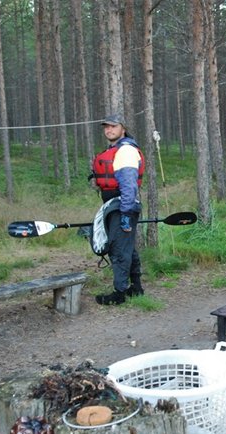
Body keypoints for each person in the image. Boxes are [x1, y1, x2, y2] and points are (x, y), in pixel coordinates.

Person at [89, 113, 145, 305]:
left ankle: (119, 294)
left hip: (122, 205)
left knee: (118, 249)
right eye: (106, 127)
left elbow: (129, 184)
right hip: (115, 205)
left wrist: (126, 213)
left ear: (123, 128)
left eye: (113, 126)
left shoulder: (126, 151)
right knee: (127, 247)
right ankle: (136, 288)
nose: (109, 130)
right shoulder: (114, 150)